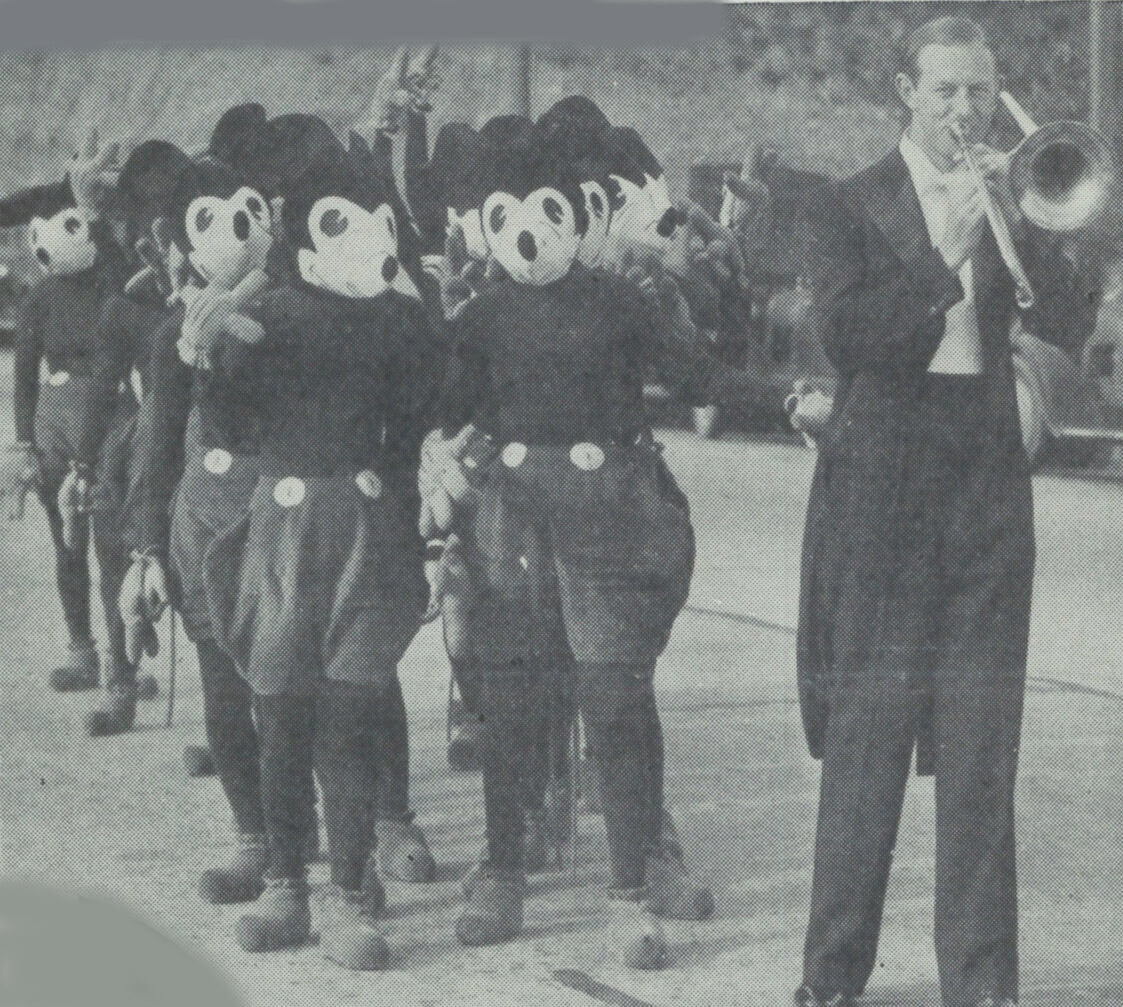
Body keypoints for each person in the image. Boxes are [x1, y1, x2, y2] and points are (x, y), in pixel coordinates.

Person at [794, 17, 1098, 1007]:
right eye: (945, 92)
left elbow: (1062, 321)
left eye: (978, 91)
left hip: (982, 493)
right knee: (865, 756)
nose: (965, 110)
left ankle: (982, 984)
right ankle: (832, 978)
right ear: (904, 93)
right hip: (881, 492)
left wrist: (1054, 231)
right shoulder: (848, 204)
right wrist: (943, 254)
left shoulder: (1008, 193)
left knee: (980, 760)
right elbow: (846, 338)